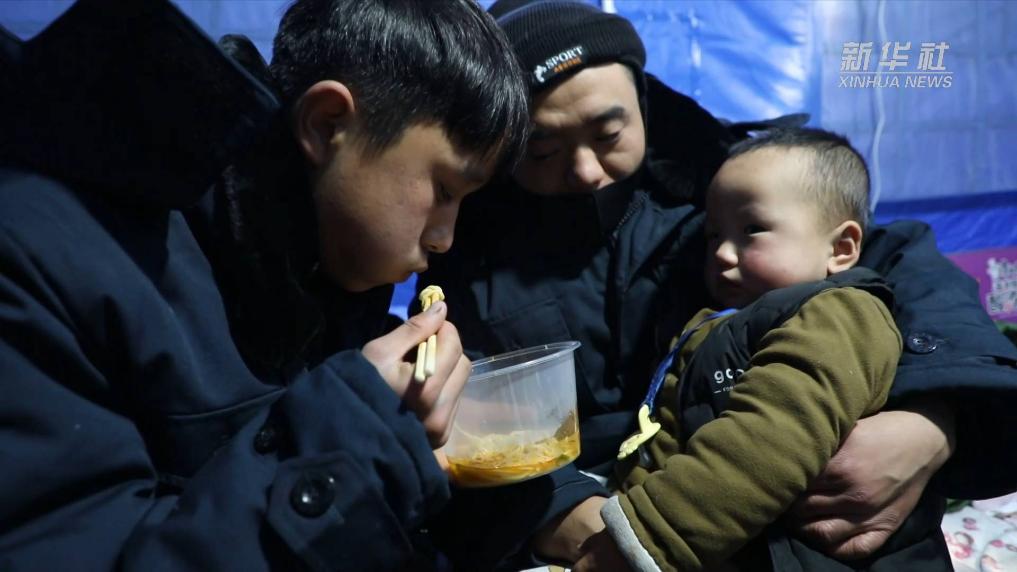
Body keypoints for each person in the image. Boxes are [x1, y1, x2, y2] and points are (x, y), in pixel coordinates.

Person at [420, 0, 1017, 569]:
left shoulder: (726, 183)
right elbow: (464, 424)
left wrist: (933, 420)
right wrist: (559, 510)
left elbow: (896, 266)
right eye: (542, 150)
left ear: (643, 101)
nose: (585, 171)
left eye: (608, 135)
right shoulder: (461, 242)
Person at [0, 0, 528, 570]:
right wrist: (358, 434)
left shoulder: (330, 269)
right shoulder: (39, 259)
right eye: (444, 190)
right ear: (327, 124)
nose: (445, 239)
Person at [574, 127, 950, 571]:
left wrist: (645, 541)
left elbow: (768, 440)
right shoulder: (719, 322)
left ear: (841, 247)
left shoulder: (838, 313)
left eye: (753, 229)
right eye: (714, 235)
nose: (722, 254)